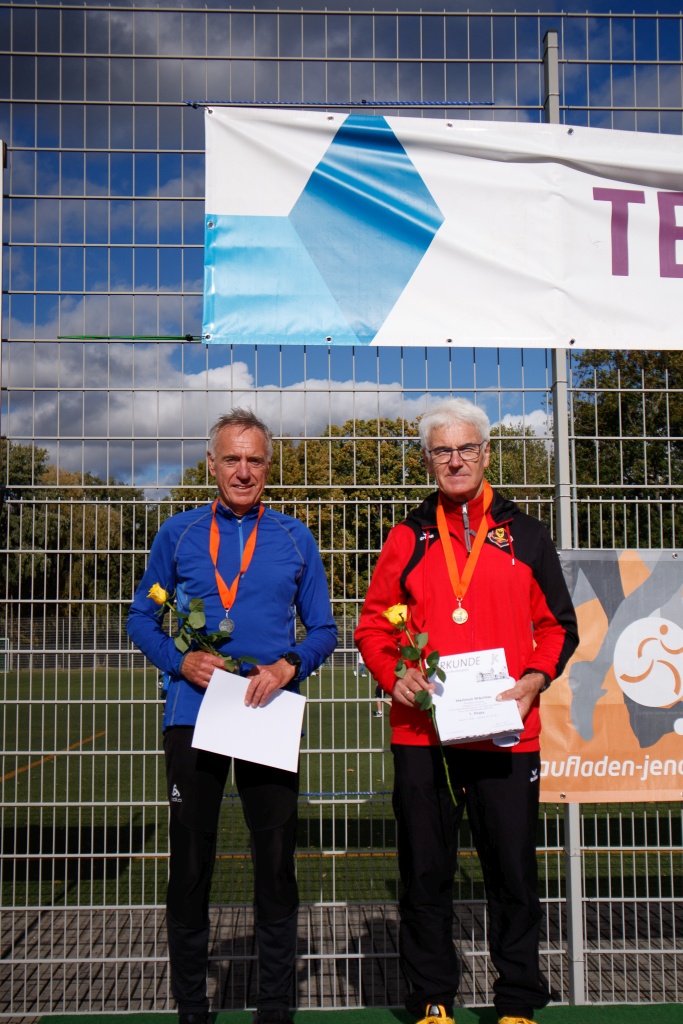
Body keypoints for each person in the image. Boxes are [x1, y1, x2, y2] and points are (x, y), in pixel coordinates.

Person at [355, 398, 578, 1024]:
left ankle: (518, 999)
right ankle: (432, 996)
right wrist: (394, 673)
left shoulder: (526, 534)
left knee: (512, 871)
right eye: (442, 451)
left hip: (506, 731)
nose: (456, 461)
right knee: (425, 871)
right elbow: (374, 625)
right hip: (422, 734)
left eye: (467, 448)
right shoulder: (408, 535)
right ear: (427, 460)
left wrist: (535, 678)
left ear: (486, 453)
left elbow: (559, 626)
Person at [127, 409, 337, 1024]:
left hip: (266, 713)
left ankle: (274, 1006)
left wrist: (289, 666)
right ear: (211, 465)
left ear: (268, 467)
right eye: (232, 459)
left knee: (274, 861)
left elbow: (325, 629)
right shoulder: (179, 534)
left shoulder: (295, 537)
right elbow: (141, 616)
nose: (243, 471)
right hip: (194, 715)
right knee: (192, 862)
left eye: (254, 460)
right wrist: (179, 660)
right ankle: (193, 1007)